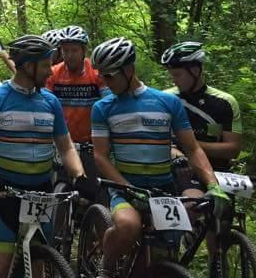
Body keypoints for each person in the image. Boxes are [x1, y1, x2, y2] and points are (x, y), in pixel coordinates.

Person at [89, 38, 229, 278]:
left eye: (110, 76)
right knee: (128, 226)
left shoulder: (168, 102)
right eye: (101, 75)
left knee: (175, 239)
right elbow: (100, 157)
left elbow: (193, 149)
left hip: (163, 188)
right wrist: (129, 188)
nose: (104, 81)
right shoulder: (103, 107)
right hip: (125, 189)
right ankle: (107, 263)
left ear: (129, 70)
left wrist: (213, 185)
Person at [0, 36, 95, 278]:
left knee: (36, 268)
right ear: (27, 66)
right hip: (7, 194)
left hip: (42, 194)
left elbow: (65, 147)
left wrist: (80, 175)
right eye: (45, 65)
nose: (50, 71)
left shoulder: (50, 101)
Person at [161, 42, 242, 172]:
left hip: (217, 171)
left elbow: (233, 150)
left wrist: (188, 145)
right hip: (176, 170)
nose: (173, 80)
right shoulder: (165, 98)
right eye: (170, 75)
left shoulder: (225, 101)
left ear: (195, 71)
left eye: (177, 75)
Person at [44, 25, 106, 177]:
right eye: (65, 50)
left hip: (91, 145)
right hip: (62, 144)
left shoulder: (96, 73)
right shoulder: (53, 74)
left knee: (94, 190)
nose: (69, 55)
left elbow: (108, 104)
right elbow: (45, 106)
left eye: (74, 50)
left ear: (83, 50)